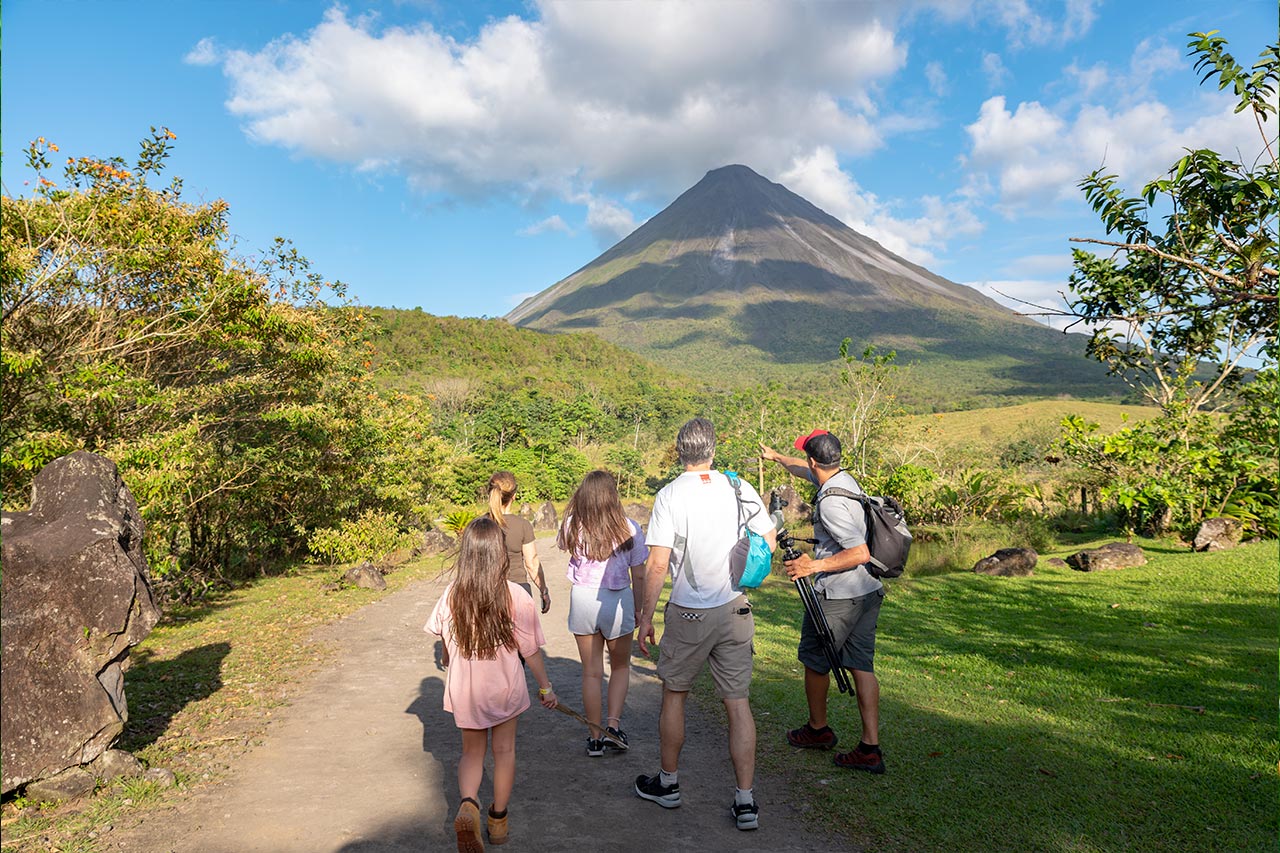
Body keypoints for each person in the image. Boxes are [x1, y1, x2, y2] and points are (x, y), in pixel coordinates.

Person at [634, 417, 776, 831]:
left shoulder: (669, 495)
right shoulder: (739, 487)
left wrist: (645, 616)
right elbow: (766, 539)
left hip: (689, 612)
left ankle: (669, 783)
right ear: (714, 449)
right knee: (738, 703)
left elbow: (658, 562)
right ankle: (746, 801)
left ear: (679, 450)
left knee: (675, 694)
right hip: (735, 608)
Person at [424, 516, 559, 851]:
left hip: (465, 689)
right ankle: (498, 820)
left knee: (471, 752)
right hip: (504, 688)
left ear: (466, 554)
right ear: (500, 553)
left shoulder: (452, 593)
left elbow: (444, 642)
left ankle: (468, 804)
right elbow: (531, 652)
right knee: (504, 750)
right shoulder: (515, 595)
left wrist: (447, 655)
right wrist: (546, 688)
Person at [760, 429, 886, 774]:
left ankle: (818, 730)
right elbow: (803, 468)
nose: (806, 465)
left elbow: (859, 552)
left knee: (815, 659)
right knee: (861, 664)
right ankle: (869, 747)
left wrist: (812, 565)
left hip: (839, 595)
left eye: (807, 460)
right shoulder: (844, 480)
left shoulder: (830, 501)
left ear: (816, 461)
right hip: (867, 591)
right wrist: (778, 458)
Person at [557, 470, 648, 756]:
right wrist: (639, 607)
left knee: (591, 672)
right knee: (620, 667)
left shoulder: (573, 524)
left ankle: (594, 736)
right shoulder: (629, 528)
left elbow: (564, 547)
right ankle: (613, 726)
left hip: (583, 598)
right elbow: (640, 574)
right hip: (618, 599)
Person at [486, 471, 551, 614]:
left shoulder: (479, 525)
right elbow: (532, 564)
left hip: (486, 592)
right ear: (514, 495)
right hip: (518, 592)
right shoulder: (522, 525)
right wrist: (543, 591)